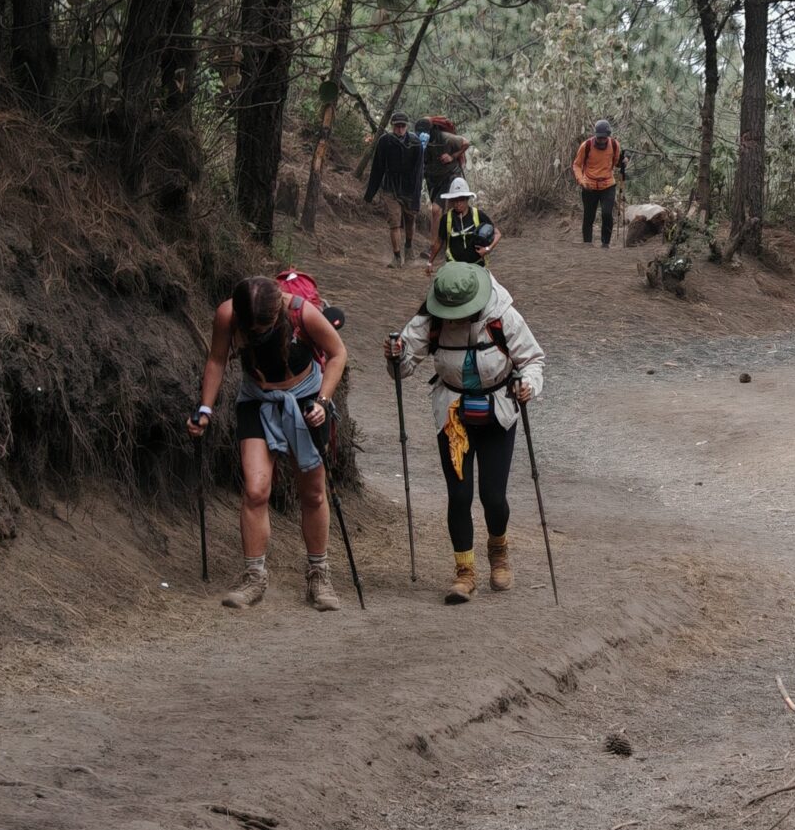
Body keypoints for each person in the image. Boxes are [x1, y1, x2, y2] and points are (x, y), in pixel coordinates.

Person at [187, 274, 350, 612]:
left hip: (306, 400)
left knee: (313, 492)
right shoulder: (228, 315)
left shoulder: (301, 313)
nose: (257, 334)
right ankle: (254, 577)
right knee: (256, 490)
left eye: (263, 328)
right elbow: (217, 360)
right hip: (257, 399)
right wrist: (205, 408)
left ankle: (319, 574)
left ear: (277, 313)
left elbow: (337, 353)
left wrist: (323, 401)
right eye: (252, 330)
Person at [386, 262, 546, 603]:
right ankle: (465, 574)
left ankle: (499, 553)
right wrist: (396, 357)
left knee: (492, 496)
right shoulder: (431, 319)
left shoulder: (502, 316)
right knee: (459, 496)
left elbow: (532, 359)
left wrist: (528, 385)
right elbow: (403, 367)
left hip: (499, 412)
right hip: (453, 414)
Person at [363, 112, 424, 266]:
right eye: (397, 126)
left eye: (403, 126)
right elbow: (377, 168)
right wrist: (370, 194)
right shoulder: (385, 142)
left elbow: (419, 172)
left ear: (407, 126)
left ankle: (408, 247)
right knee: (394, 222)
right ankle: (397, 257)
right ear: (392, 126)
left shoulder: (416, 143)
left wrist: (416, 195)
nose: (400, 129)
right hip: (390, 187)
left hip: (410, 188)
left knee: (410, 220)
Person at [572, 118, 626, 248]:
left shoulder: (614, 145)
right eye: (599, 137)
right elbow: (577, 165)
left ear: (608, 136)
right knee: (589, 216)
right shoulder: (586, 146)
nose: (601, 140)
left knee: (607, 214)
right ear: (596, 135)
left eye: (604, 138)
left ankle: (605, 244)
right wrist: (581, 180)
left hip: (608, 185)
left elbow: (617, 162)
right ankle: (587, 244)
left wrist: (623, 162)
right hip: (589, 185)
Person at [428, 175, 497, 271]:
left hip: (477, 266)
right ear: (451, 201)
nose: (458, 203)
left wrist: (487, 249)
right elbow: (439, 242)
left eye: (461, 199)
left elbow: (497, 233)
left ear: (467, 199)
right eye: (455, 200)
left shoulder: (478, 215)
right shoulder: (446, 219)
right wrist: (430, 262)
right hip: (454, 267)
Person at [420, 115, 471, 206]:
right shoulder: (420, 141)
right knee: (438, 209)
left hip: (449, 175)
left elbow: (466, 143)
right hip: (433, 179)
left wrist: (452, 156)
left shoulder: (446, 138)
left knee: (440, 208)